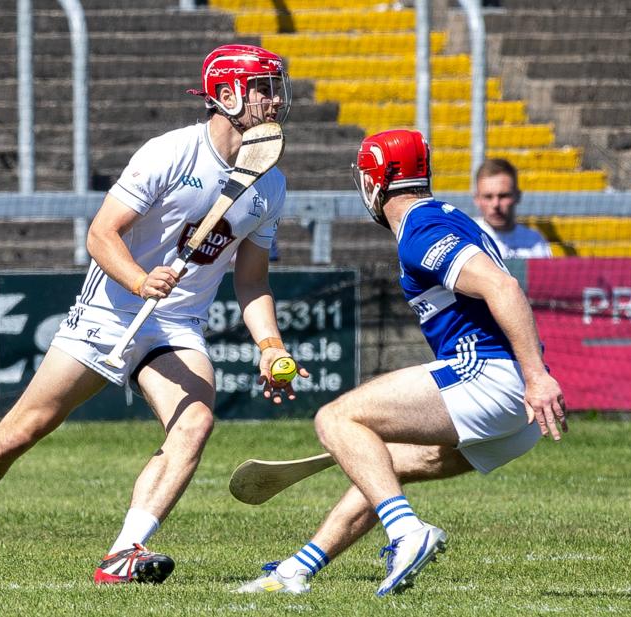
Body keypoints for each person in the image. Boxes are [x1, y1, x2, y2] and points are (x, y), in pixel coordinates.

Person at [0, 44, 306, 584]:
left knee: (195, 421)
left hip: (176, 325)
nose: (275, 99)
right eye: (263, 88)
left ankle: (124, 553)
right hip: (109, 311)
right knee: (20, 432)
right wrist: (139, 278)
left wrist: (270, 346)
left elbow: (252, 280)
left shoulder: (270, 183)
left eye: (278, 87)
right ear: (226, 95)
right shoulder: (170, 153)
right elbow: (100, 234)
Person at [235, 130, 567, 597]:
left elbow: (504, 288)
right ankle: (297, 570)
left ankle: (407, 533)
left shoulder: (421, 231)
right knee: (380, 468)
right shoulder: (445, 218)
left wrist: (536, 377)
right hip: (517, 412)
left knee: (337, 418)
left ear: (376, 181)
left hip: (491, 377)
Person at [473, 158, 552, 258]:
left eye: (503, 196)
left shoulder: (534, 241)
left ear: (518, 196)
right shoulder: (467, 239)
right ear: (476, 199)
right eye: (488, 197)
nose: (495, 204)